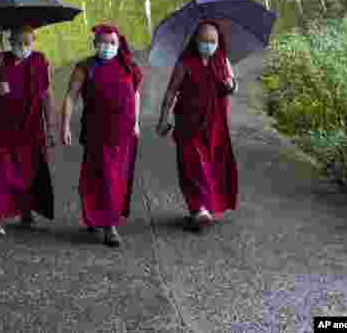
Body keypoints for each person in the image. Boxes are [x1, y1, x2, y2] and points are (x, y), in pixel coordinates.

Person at [61, 24, 143, 247]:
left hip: (123, 133)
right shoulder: (85, 67)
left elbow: (135, 94)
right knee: (100, 175)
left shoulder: (128, 66)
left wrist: (136, 122)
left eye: (112, 43)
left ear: (119, 44)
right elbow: (70, 96)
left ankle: (108, 222)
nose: (107, 47)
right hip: (97, 132)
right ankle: (104, 221)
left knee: (116, 178)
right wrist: (65, 126)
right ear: (95, 44)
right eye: (102, 43)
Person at [156, 20, 239, 230]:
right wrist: (163, 119)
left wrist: (232, 85)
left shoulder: (223, 61)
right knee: (193, 165)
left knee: (212, 165)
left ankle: (203, 208)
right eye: (203, 40)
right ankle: (200, 207)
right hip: (188, 124)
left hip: (215, 125)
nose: (208, 44)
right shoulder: (184, 63)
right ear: (195, 40)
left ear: (218, 42)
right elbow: (171, 92)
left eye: (212, 41)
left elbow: (231, 87)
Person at [0, 25, 55, 236]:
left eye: (26, 43)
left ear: (34, 41)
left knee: (29, 170)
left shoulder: (41, 61)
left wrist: (51, 126)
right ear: (9, 41)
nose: (21, 47)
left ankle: (25, 211)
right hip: (2, 129)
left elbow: (47, 95)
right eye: (16, 42)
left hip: (31, 128)